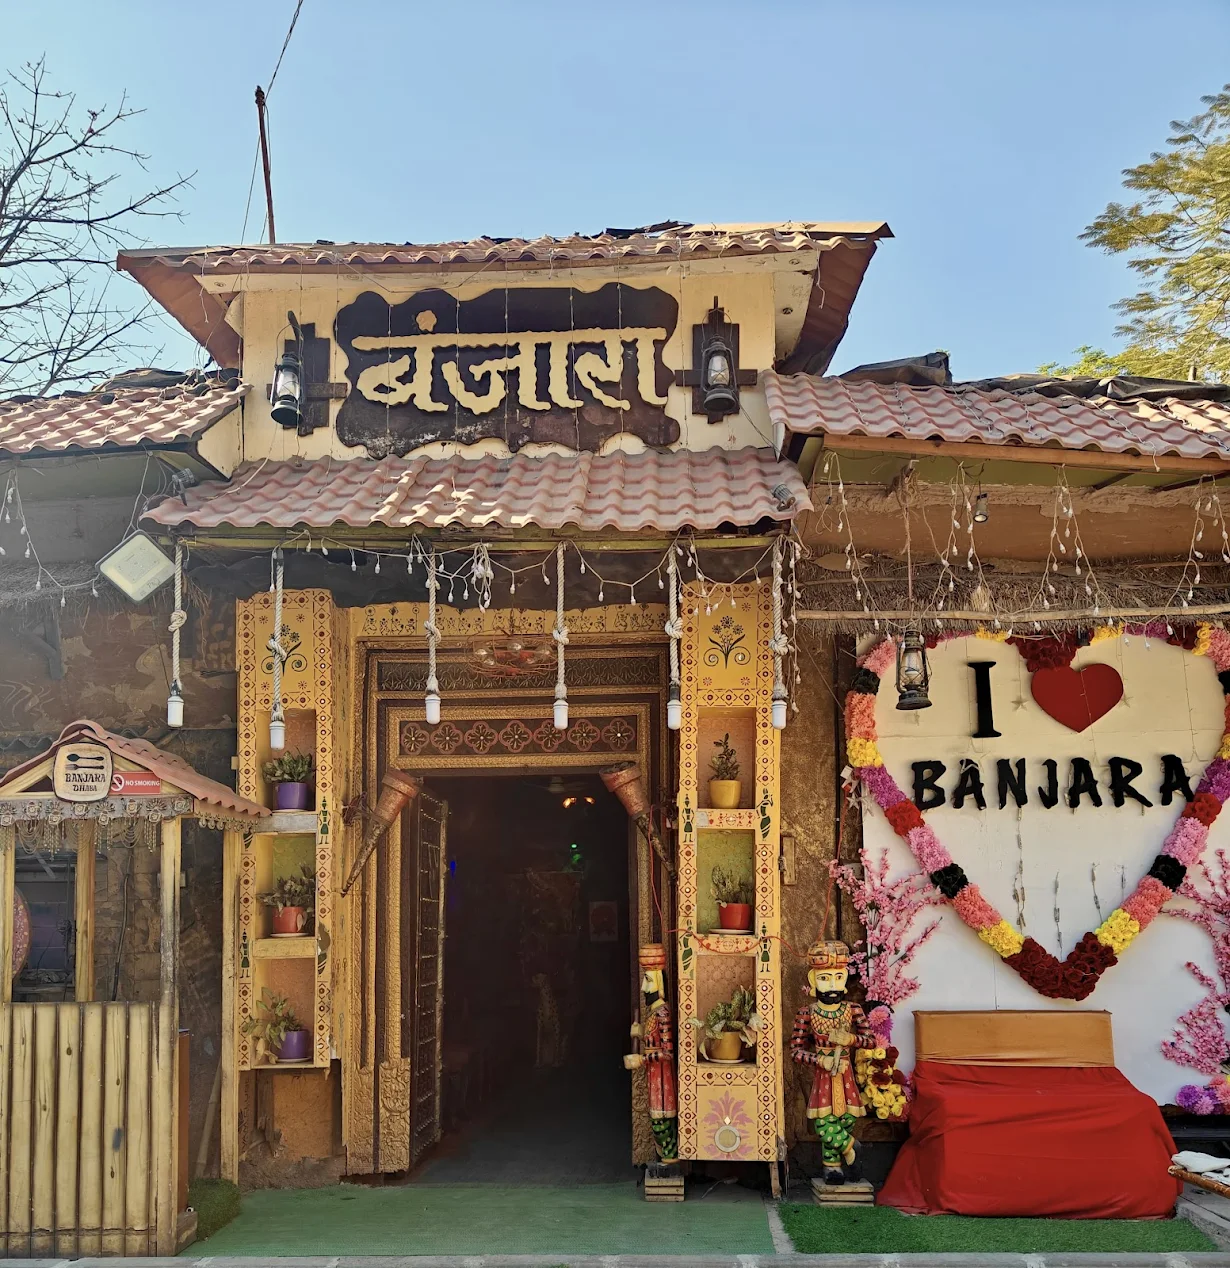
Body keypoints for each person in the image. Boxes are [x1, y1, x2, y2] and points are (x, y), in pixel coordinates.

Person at [790, 940, 875, 1184]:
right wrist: (819, 1060)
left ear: (845, 978)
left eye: (838, 977)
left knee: (845, 1120)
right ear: (813, 979)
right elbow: (795, 1051)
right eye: (825, 978)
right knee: (824, 1124)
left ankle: (832, 1168)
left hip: (846, 1074)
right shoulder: (807, 1013)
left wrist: (851, 1039)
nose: (832, 985)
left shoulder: (853, 1009)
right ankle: (851, 1148)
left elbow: (870, 1041)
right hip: (824, 1076)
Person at [624, 943, 678, 1162]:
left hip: (662, 1078)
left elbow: (667, 1052)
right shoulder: (653, 1013)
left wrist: (642, 1059)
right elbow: (653, 1040)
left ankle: (670, 1157)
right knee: (657, 1119)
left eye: (648, 980)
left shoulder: (662, 1013)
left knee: (661, 1120)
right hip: (655, 1077)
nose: (644, 988)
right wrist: (639, 1034)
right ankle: (666, 1156)